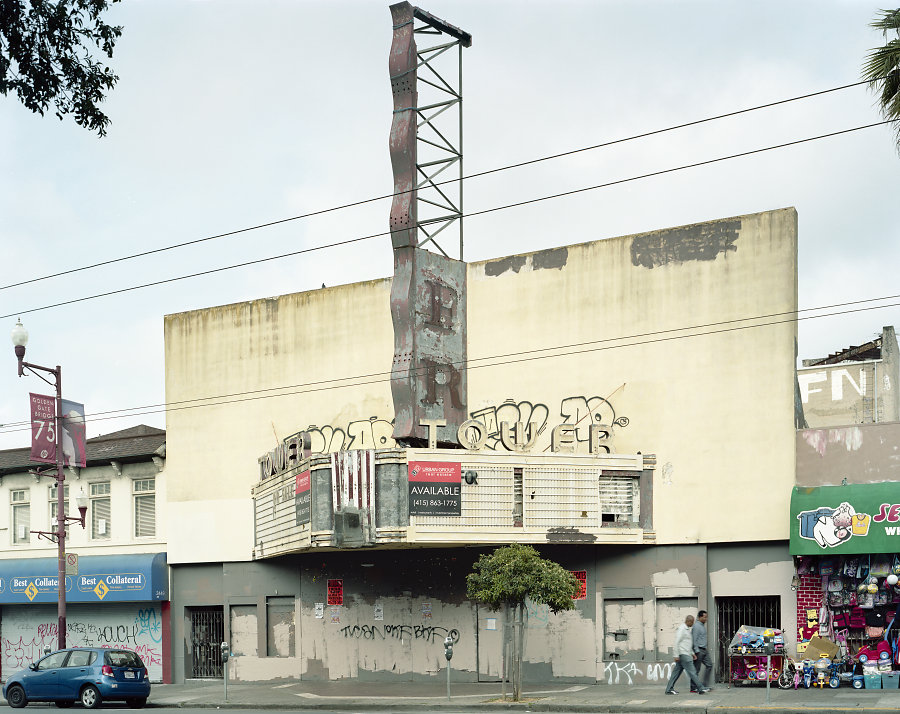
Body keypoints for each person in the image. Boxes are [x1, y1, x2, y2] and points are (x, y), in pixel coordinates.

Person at [665, 614, 709, 695]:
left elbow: (686, 643)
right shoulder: (682, 629)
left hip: (685, 654)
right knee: (693, 672)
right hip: (684, 655)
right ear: (689, 621)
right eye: (692, 622)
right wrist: (676, 655)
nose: (693, 624)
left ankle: (669, 689)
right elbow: (676, 642)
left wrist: (692, 653)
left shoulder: (686, 629)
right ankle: (700, 688)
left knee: (676, 673)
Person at [691, 610, 713, 692]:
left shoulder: (702, 626)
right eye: (704, 617)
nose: (706, 619)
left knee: (709, 665)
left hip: (704, 650)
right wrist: (696, 651)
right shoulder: (696, 626)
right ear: (700, 617)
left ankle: (704, 685)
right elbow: (694, 639)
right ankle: (693, 687)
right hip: (699, 650)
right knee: (696, 669)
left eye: (706, 617)